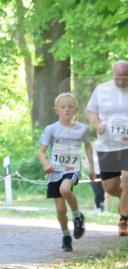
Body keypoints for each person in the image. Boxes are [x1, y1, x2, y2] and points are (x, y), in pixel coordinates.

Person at [38, 93, 96, 251]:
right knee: (61, 210)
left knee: (65, 189)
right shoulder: (51, 129)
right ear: (56, 110)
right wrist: (46, 164)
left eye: (70, 106)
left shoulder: (82, 129)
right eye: (63, 107)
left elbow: (88, 147)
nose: (67, 110)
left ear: (76, 109)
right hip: (54, 171)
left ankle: (77, 216)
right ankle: (65, 236)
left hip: (72, 169)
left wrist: (92, 168)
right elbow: (41, 151)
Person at [86, 60, 128, 236]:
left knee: (127, 178)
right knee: (110, 187)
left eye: (124, 79)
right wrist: (97, 124)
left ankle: (124, 220)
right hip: (107, 145)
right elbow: (90, 111)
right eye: (117, 78)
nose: (120, 82)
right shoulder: (102, 89)